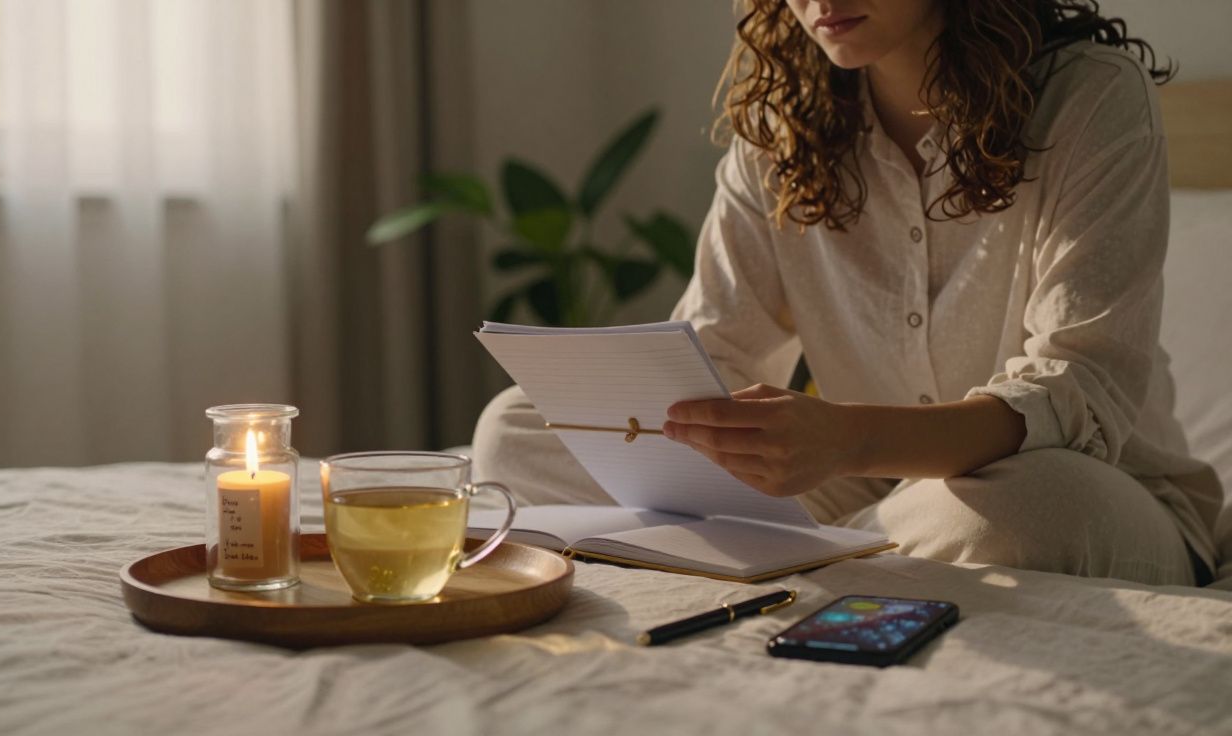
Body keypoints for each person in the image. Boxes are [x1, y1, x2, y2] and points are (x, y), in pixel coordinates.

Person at [473, 0, 1221, 586]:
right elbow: (716, 352)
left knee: (1020, 506)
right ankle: (838, 561)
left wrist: (847, 437)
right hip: (862, 489)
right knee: (514, 429)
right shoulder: (780, 130)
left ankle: (805, 563)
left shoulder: (1089, 98)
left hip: (1091, 492)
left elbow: (1077, 386)